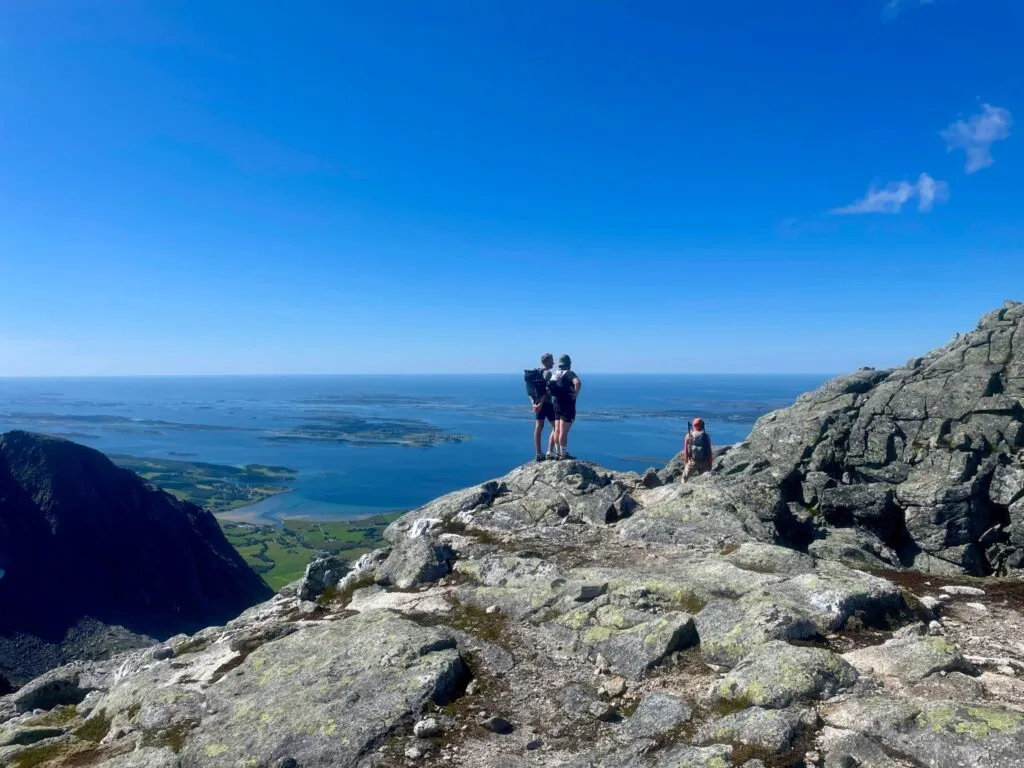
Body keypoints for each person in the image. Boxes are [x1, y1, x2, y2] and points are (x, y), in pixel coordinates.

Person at [549, 354, 582, 460]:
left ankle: (557, 452)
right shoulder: (570, 374)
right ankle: (563, 454)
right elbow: (577, 382)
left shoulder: (555, 374)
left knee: (557, 430)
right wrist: (575, 394)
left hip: (556, 404)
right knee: (563, 431)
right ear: (569, 364)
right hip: (567, 405)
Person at [527, 353, 558, 462]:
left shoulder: (535, 373)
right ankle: (550, 451)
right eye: (552, 360)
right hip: (547, 404)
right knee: (556, 427)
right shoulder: (548, 373)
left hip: (537, 404)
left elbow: (530, 391)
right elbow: (546, 391)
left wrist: (534, 404)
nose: (553, 362)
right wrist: (541, 403)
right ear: (547, 361)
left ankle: (538, 453)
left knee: (538, 427)